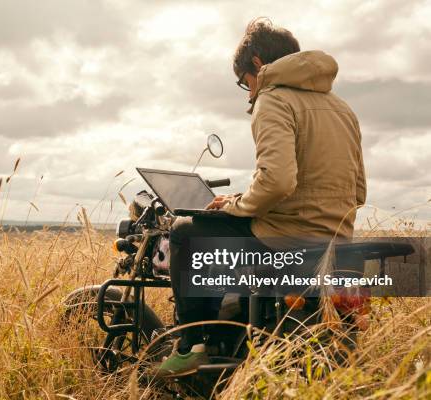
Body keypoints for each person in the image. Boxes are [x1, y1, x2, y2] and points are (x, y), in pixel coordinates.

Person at [155, 17, 366, 378]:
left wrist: (237, 206)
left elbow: (279, 181)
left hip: (286, 234)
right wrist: (245, 199)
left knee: (186, 230)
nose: (248, 90)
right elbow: (358, 188)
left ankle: (192, 346)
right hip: (335, 235)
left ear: (256, 65)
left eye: (244, 82)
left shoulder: (273, 99)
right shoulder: (341, 107)